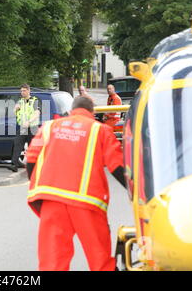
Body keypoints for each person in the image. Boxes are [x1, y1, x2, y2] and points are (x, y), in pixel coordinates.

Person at [25, 96, 125, 271]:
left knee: (52, 262)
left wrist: (37, 188)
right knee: (100, 260)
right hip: (87, 201)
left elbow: (31, 160)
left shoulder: (48, 127)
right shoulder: (99, 130)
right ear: (92, 113)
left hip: (51, 200)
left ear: (71, 110)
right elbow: (117, 166)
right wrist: (137, 192)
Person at [8, 84, 40, 172]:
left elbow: (37, 113)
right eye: (21, 91)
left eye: (24, 91)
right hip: (23, 127)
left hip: (32, 127)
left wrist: (29, 122)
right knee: (17, 144)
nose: (22, 92)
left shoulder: (34, 100)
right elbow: (14, 114)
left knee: (32, 147)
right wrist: (15, 109)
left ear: (29, 91)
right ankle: (14, 165)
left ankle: (34, 167)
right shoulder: (20, 102)